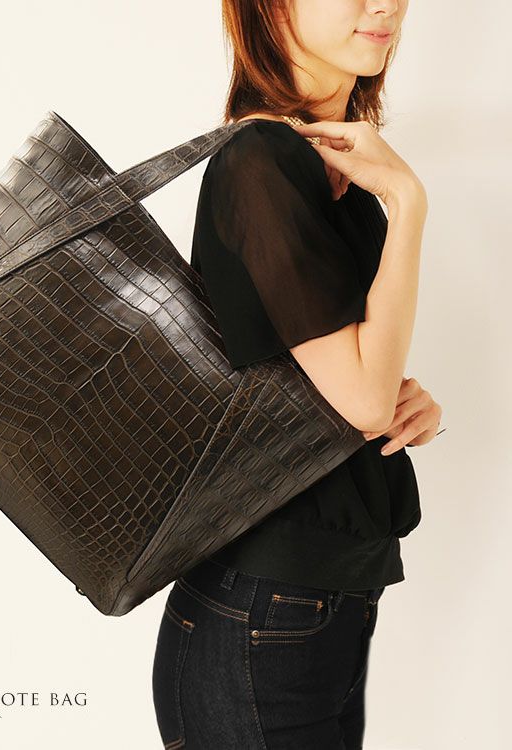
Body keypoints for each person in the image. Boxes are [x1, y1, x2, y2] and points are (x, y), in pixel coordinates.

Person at [151, 1, 443, 748]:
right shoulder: (262, 162)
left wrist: (414, 404)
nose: (386, 5)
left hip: (316, 604)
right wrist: (409, 203)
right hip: (262, 610)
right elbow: (363, 401)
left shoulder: (334, 170)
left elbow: (356, 384)